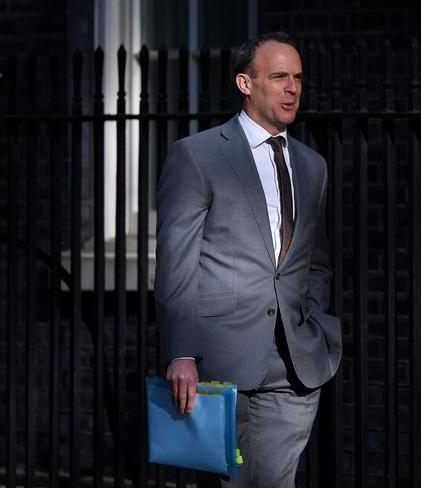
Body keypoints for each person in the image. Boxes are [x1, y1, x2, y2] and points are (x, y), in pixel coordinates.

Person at [154, 31, 342, 488]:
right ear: (245, 83)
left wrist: (312, 316)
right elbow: (176, 263)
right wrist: (181, 352)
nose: (293, 88)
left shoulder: (312, 165)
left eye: (297, 77)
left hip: (295, 365)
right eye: (279, 76)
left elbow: (316, 261)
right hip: (222, 363)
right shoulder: (197, 156)